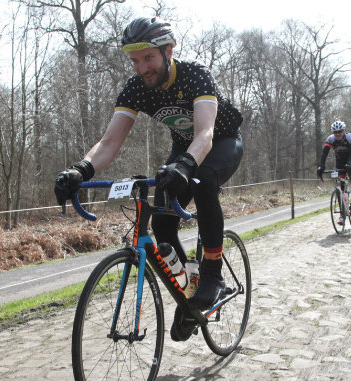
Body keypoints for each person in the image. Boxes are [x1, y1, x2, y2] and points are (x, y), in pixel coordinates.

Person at [53, 17, 243, 342]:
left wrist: (185, 166)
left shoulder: (195, 75)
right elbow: (110, 142)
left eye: (148, 58)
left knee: (204, 181)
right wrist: (80, 170)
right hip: (185, 147)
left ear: (168, 51)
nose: (142, 68)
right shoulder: (136, 88)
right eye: (135, 60)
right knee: (163, 223)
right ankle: (191, 291)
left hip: (221, 141)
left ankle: (212, 275)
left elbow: (205, 134)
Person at [317, 121, 351, 209]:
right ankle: (342, 213)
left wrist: (350, 163)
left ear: (344, 131)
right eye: (335, 132)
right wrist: (321, 166)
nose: (338, 134)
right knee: (340, 187)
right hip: (340, 160)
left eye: (340, 131)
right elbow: (324, 154)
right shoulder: (331, 139)